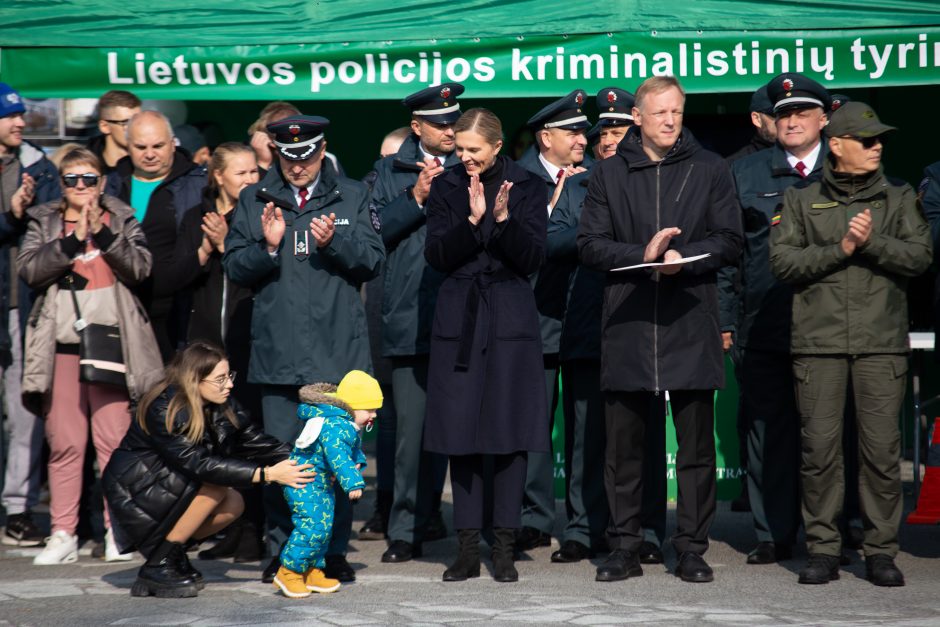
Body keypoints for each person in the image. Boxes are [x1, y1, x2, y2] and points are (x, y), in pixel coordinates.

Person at [577, 76, 743, 584]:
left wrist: (681, 261)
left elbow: (730, 241)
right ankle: (626, 546)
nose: (671, 120)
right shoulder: (607, 174)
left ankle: (691, 548)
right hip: (628, 322)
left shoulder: (711, 168)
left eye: (677, 111)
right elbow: (589, 245)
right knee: (623, 449)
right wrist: (642, 256)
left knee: (694, 451)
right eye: (660, 113)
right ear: (638, 119)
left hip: (690, 317)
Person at [770, 101, 931, 587]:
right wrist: (839, 249)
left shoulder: (899, 197)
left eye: (880, 139)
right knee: (819, 452)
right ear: (836, 146)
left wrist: (872, 242)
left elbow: (922, 256)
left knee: (881, 453)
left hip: (880, 344)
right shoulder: (799, 200)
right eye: (866, 140)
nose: (877, 146)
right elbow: (783, 264)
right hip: (818, 346)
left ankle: (881, 551)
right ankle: (823, 549)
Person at [223, 114, 384, 584]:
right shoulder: (255, 199)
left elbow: (373, 260)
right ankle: (286, 551)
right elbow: (234, 266)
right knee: (284, 461)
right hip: (280, 356)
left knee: (337, 461)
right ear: (275, 153)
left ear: (322, 148)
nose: (297, 166)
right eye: (287, 157)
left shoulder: (352, 194)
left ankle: (331, 554)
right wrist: (268, 249)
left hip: (337, 355)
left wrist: (336, 244)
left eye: (307, 155)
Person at [17, 147, 163, 564]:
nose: (81, 187)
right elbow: (29, 269)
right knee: (65, 443)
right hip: (61, 344)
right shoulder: (43, 220)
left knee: (113, 442)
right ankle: (64, 532)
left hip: (112, 342)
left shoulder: (121, 216)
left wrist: (101, 234)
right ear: (61, 185)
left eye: (89, 178)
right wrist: (69, 242)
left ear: (101, 182)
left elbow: (140, 268)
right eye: (71, 179)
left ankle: (118, 530)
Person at [424, 107, 548, 583]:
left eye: (474, 150)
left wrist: (502, 222)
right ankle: (467, 548)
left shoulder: (529, 186)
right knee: (462, 436)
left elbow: (533, 257)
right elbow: (436, 255)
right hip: (460, 319)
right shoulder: (446, 185)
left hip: (511, 320)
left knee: (509, 435)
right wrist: (473, 223)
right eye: (460, 150)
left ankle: (505, 548)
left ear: (497, 147)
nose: (466, 158)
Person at [549, 85, 668, 566]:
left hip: (643, 323)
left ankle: (650, 530)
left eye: (621, 129)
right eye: (605, 131)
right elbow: (551, 243)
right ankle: (582, 528)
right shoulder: (578, 186)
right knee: (585, 437)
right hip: (586, 322)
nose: (611, 139)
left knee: (645, 437)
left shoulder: (659, 179)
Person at [719, 73, 831, 566]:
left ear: (824, 119)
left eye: (802, 113)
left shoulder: (843, 168)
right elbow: (728, 255)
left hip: (830, 329)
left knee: (829, 432)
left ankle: (835, 527)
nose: (791, 121)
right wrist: (724, 317)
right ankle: (774, 533)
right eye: (784, 113)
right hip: (762, 323)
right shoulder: (744, 174)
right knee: (768, 431)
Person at [102, 342, 309, 598]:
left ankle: (170, 553)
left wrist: (311, 463)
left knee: (234, 502)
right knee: (216, 485)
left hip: (167, 486)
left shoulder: (221, 402)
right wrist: (269, 474)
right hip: (136, 492)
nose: (229, 385)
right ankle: (159, 564)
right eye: (220, 379)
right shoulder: (165, 407)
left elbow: (256, 440)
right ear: (194, 380)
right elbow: (199, 464)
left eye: (229, 376)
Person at [370, 83, 465, 564]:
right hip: (410, 316)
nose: (450, 129)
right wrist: (415, 196)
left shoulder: (473, 164)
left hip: (464, 319)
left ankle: (438, 515)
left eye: (454, 120)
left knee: (455, 430)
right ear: (417, 127)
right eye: (441, 122)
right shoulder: (388, 173)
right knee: (410, 435)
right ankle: (403, 528)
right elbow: (373, 234)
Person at [163, 141, 265, 561]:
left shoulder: (262, 215)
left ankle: (255, 528)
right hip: (206, 344)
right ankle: (229, 525)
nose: (250, 180)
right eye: (241, 173)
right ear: (218, 176)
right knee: (214, 441)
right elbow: (173, 277)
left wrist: (227, 244)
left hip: (249, 341)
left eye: (254, 172)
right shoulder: (194, 217)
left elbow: (263, 271)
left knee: (248, 435)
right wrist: (206, 248)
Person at [515, 89, 590, 555]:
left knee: (585, 429)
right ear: (546, 138)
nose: (583, 138)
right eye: (573, 131)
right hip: (533, 318)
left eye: (584, 130)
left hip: (583, 317)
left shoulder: (594, 179)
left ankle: (582, 526)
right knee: (533, 427)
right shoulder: (519, 180)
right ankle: (534, 518)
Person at [0, 82, 61, 547]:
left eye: (20, 114)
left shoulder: (39, 168)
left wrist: (27, 210)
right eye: (9, 115)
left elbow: (52, 228)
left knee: (25, 414)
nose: (20, 122)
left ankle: (18, 508)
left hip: (19, 307)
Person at [105, 110, 206, 362]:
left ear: (173, 144)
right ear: (127, 147)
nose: (150, 154)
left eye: (158, 146)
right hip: (121, 309)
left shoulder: (198, 183)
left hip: (180, 311)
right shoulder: (111, 185)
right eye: (141, 147)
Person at [273, 371, 380, 598]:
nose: (374, 415)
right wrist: (353, 483)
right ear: (353, 406)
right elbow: (338, 455)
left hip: (319, 483)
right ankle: (289, 571)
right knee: (312, 527)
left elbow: (352, 450)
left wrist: (358, 462)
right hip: (305, 482)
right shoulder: (335, 426)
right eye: (370, 409)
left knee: (323, 527)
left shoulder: (345, 423)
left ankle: (311, 569)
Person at [359, 124, 410, 542]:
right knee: (385, 417)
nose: (381, 171)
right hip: (376, 314)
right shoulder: (369, 195)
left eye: (390, 162)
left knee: (406, 421)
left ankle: (412, 508)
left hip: (412, 318)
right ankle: (385, 503)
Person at [86, 90, 142, 174]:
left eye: (139, 121)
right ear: (105, 127)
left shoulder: (150, 164)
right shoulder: (83, 168)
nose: (135, 128)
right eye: (126, 123)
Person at [726, 85, 777, 164]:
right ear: (757, 119)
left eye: (799, 114)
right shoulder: (736, 166)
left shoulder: (801, 158)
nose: (790, 122)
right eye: (776, 115)